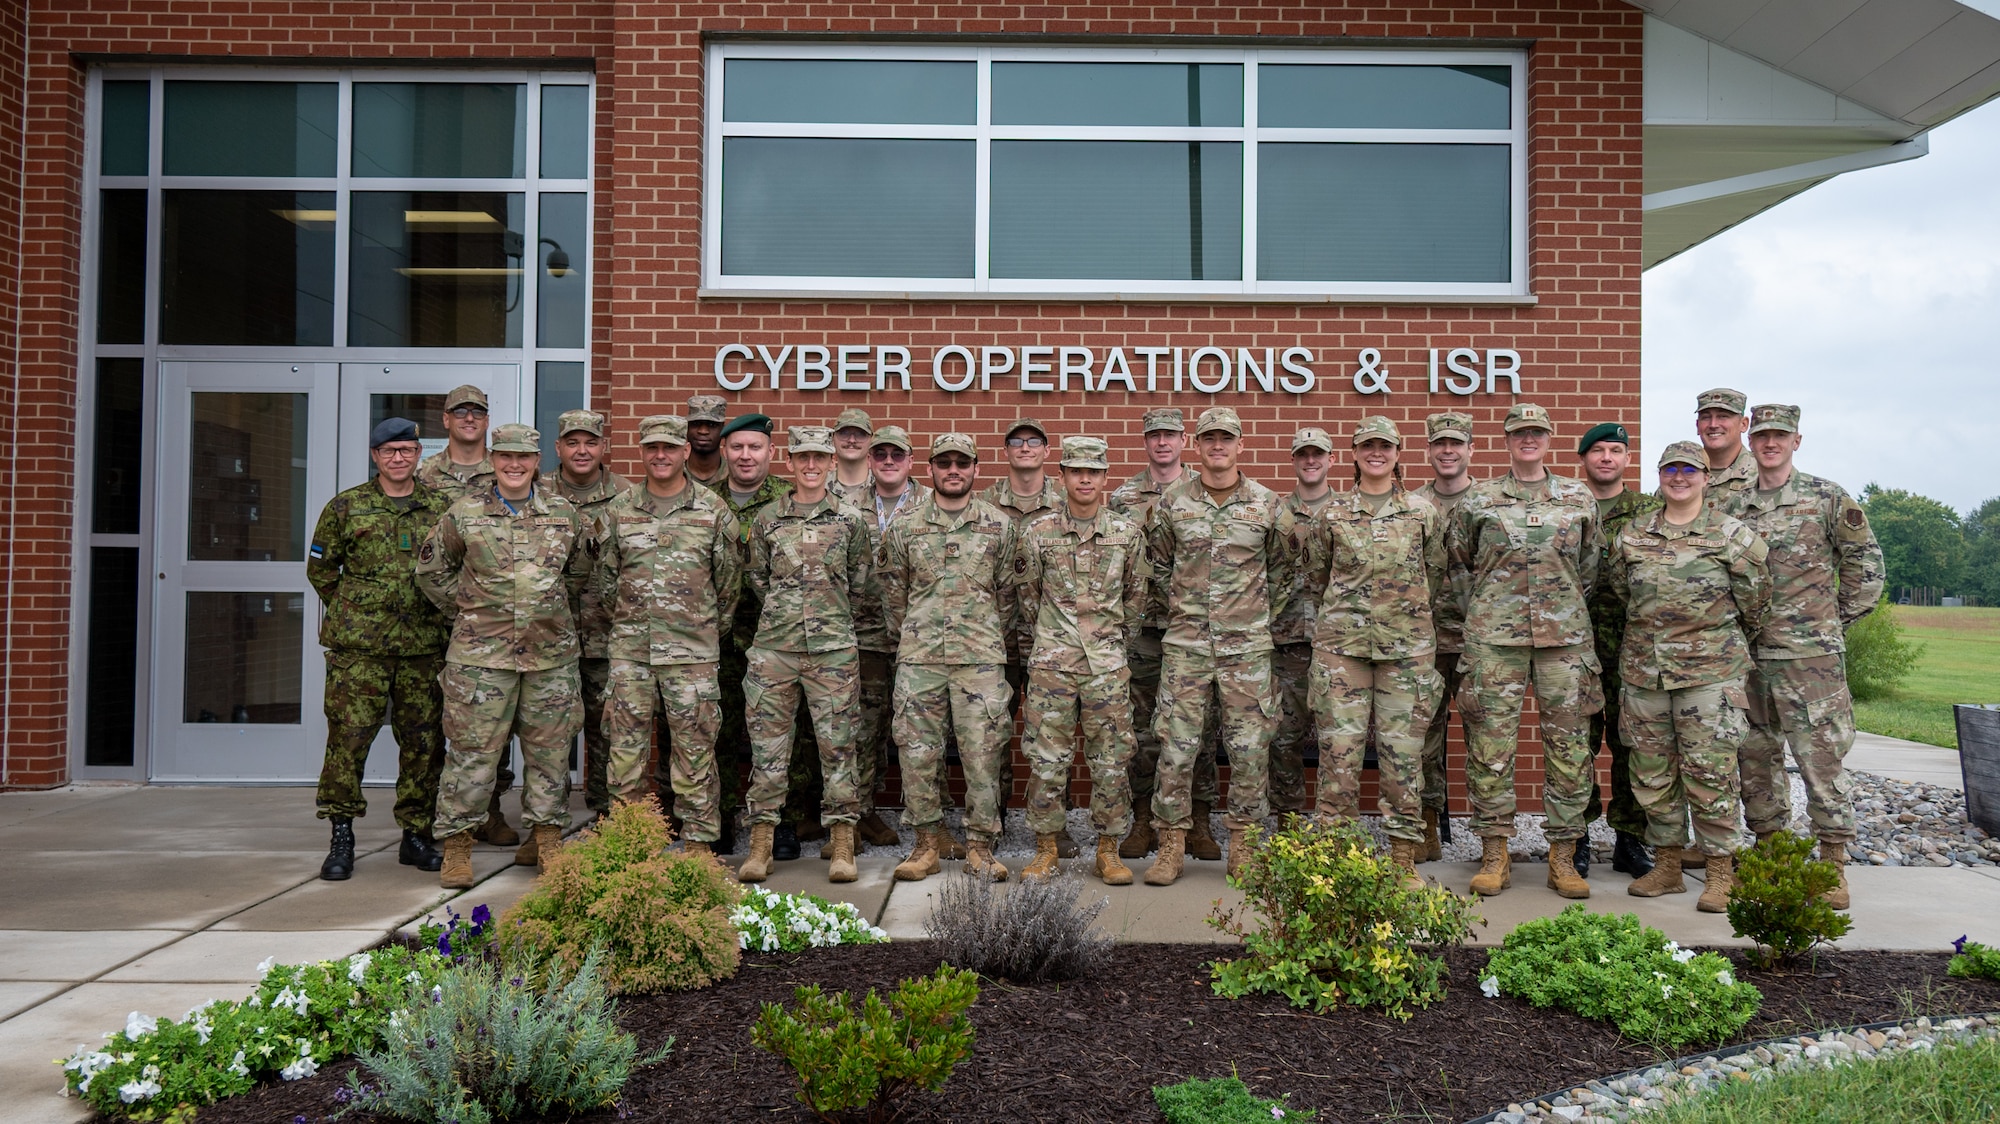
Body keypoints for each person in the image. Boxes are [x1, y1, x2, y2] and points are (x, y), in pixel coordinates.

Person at [1719, 403, 1885, 910]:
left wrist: (1831, 622)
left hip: (1810, 660)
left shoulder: (1826, 497)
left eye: (1780, 435)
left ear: (1796, 440)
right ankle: (1773, 856)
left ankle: (1832, 864)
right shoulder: (1733, 506)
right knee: (1755, 760)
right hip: (1749, 659)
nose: (1770, 443)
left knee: (1821, 761)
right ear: (1752, 440)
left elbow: (1866, 566)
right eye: (1763, 434)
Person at [417, 423, 594, 889]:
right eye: (505, 457)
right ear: (493, 460)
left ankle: (547, 840)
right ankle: (457, 847)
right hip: (481, 661)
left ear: (538, 462)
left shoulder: (564, 514)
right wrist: (475, 610)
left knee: (551, 756)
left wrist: (541, 611)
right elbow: (432, 570)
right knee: (472, 756)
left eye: (524, 457)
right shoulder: (465, 512)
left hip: (550, 659)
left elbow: (577, 574)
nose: (514, 465)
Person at [1606, 441, 1771, 912]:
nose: (1679, 477)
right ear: (1660, 475)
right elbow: (1623, 592)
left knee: (1710, 774)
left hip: (1709, 676)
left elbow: (1755, 601)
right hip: (1645, 674)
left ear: (1704, 476)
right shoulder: (1634, 535)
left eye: (1689, 469)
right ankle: (1668, 866)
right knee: (1652, 775)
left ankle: (1721, 873)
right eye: (1670, 469)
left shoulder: (1731, 534)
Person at [1448, 403, 1604, 899]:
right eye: (1519, 433)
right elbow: (1459, 563)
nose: (1528, 440)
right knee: (1490, 749)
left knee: (1570, 749)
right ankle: (1496, 853)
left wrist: (1562, 609)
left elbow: (1591, 567)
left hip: (1565, 642)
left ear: (1549, 437)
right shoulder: (1479, 500)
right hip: (1494, 641)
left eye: (1536, 432)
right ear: (1507, 440)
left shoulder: (1577, 497)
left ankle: (1563, 856)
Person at [1142, 406, 1296, 886]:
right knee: (1176, 748)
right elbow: (1156, 568)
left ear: (1240, 445)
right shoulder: (1171, 504)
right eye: (1209, 438)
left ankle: (1245, 845)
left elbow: (1284, 573)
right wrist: (1183, 613)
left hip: (1245, 651)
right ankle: (1170, 844)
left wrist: (1251, 618)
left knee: (1250, 749)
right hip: (1186, 647)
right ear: (1197, 444)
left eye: (1226, 438)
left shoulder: (1268, 506)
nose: (1217, 446)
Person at [1298, 417, 1446, 887]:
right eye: (1367, 446)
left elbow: (1435, 572)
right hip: (1343, 651)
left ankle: (1402, 855)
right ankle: (1332, 859)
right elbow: (1317, 575)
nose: (1376, 453)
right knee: (1338, 756)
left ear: (1399, 452)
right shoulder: (1332, 513)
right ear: (1355, 454)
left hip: (1406, 652)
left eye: (1385, 446)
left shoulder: (1423, 513)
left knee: (1403, 759)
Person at [306, 417, 452, 880]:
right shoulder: (346, 507)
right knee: (348, 742)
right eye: (388, 451)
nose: (397, 458)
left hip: (424, 648)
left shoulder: (440, 507)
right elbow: (321, 570)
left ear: (418, 455)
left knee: (424, 746)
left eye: (406, 450)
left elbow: (456, 567)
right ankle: (342, 836)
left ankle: (415, 834)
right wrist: (357, 611)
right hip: (360, 652)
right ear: (375, 456)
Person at [594, 415, 742, 857]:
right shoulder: (618, 511)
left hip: (692, 655)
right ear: (642, 452)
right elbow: (606, 583)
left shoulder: (713, 510)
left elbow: (729, 585)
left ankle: (698, 845)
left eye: (669, 448)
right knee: (624, 757)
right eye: (652, 448)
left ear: (684, 452)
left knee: (695, 755)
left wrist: (700, 630)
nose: (661, 456)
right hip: (631, 656)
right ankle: (631, 847)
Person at [735, 425, 872, 885]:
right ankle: (761, 844)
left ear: (832, 463)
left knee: (839, 748)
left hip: (833, 650)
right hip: (776, 649)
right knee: (769, 750)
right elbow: (756, 579)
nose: (811, 466)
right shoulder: (767, 520)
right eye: (802, 458)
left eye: (819, 458)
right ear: (789, 463)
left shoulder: (851, 521)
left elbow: (860, 582)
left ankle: (842, 842)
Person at [882, 434, 1021, 881]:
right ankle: (926, 845)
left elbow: (1009, 597)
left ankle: (981, 847)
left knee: (983, 755)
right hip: (920, 658)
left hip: (979, 660)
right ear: (932, 469)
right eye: (945, 463)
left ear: (976, 468)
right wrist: (917, 635)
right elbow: (893, 598)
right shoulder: (905, 527)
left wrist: (979, 636)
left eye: (963, 462)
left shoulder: (999, 526)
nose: (954, 470)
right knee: (917, 754)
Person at [1012, 436, 1148, 885]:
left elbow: (1136, 599)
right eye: (1076, 470)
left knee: (1111, 760)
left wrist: (1108, 641)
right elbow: (1028, 598)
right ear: (1064, 476)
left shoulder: (1127, 534)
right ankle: (1046, 848)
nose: (1085, 478)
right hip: (1052, 664)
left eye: (1093, 471)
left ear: (1105, 476)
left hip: (1106, 666)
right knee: (1047, 759)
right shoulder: (1038, 533)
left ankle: (1107, 849)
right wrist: (1054, 641)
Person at [1110, 407, 1221, 863]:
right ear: (1144, 440)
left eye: (1170, 435)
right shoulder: (1121, 498)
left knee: (1202, 728)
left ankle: (1197, 820)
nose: (1162, 442)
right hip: (1143, 631)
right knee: (1141, 729)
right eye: (1154, 434)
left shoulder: (1205, 490)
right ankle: (1142, 818)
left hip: (1194, 631)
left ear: (1183, 440)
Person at [413, 383, 518, 847]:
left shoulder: (504, 474)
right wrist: (468, 606)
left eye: (477, 412)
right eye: (461, 412)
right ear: (446, 419)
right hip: (433, 625)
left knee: (492, 727)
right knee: (445, 730)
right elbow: (428, 557)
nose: (469, 418)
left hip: (490, 639)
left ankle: (489, 813)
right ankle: (437, 818)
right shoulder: (424, 475)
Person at [1576, 421, 1662, 880]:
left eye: (1616, 451)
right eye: (1598, 451)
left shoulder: (1650, 511)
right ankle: (1579, 838)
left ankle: (1631, 839)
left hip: (1634, 649)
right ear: (1583, 458)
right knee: (1577, 746)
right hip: (1578, 646)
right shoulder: (1566, 505)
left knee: (1632, 745)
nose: (1606, 458)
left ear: (1627, 459)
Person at [707, 412, 792, 853]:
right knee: (718, 729)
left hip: (778, 637)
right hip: (717, 637)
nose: (745, 456)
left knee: (779, 732)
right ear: (724, 450)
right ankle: (718, 819)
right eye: (737, 447)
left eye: (754, 447)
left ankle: (783, 824)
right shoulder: (704, 500)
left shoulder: (791, 499)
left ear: (770, 452)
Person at [979, 416, 1067, 849]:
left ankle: (1056, 825)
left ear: (1046, 451)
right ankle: (992, 821)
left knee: (1052, 733)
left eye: (1034, 441)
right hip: (994, 636)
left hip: (1051, 641)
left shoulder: (1066, 504)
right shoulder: (984, 504)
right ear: (1007, 451)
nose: (1025, 448)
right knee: (993, 731)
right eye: (1017, 441)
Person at [848, 424, 932, 853]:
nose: (888, 461)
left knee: (925, 731)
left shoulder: (931, 506)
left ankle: (931, 823)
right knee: (865, 730)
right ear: (870, 459)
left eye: (896, 455)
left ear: (910, 460)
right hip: (865, 635)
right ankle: (862, 814)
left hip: (921, 639)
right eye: (880, 454)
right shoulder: (847, 506)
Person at [550, 409, 632, 825]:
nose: (582, 451)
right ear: (559, 447)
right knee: (550, 733)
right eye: (573, 442)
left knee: (609, 731)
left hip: (607, 634)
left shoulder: (627, 495)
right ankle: (548, 822)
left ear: (604, 447)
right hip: (549, 637)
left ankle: (605, 818)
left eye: (590, 442)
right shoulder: (535, 491)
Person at [1414, 411, 1477, 862]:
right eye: (1440, 444)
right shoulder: (1412, 505)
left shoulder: (1491, 503)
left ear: (1470, 449)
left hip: (1480, 641)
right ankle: (1427, 828)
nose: (1448, 451)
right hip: (1425, 641)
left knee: (1486, 739)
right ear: (1429, 451)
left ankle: (1493, 838)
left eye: (1456, 443)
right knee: (1423, 739)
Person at [1269, 427, 1338, 820]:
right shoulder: (1275, 512)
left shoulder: (1346, 510)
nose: (1311, 461)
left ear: (1331, 459)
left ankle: (1334, 825)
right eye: (1303, 454)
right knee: (1284, 737)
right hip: (1288, 640)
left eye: (1318, 454)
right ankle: (1288, 821)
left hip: (1338, 643)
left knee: (1336, 738)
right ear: (1294, 460)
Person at [1695, 388, 1757, 504]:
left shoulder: (1764, 475)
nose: (1713, 425)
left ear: (1743, 424)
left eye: (1723, 416)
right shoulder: (1681, 475)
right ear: (1697, 426)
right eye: (1706, 417)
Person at [830, 406, 875, 509]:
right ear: (833, 439)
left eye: (860, 434)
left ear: (872, 440)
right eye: (844, 433)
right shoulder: (819, 486)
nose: (851, 440)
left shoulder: (883, 486)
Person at [685, 394, 729, 490]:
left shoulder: (735, 476)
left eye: (712, 424)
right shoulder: (672, 475)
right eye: (696, 424)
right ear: (687, 428)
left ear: (723, 430)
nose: (703, 431)